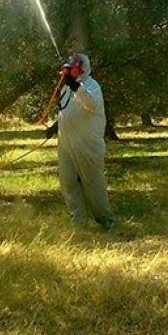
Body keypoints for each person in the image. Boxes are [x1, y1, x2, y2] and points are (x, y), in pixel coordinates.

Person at [45, 53, 114, 229]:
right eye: (67, 70)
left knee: (93, 182)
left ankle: (105, 220)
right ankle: (78, 220)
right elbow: (67, 110)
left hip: (87, 145)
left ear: (82, 69)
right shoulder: (66, 89)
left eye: (73, 69)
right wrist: (56, 126)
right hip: (66, 143)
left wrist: (76, 86)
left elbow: (91, 104)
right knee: (68, 182)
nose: (69, 73)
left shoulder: (92, 86)